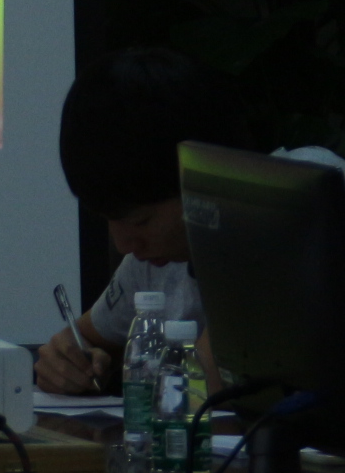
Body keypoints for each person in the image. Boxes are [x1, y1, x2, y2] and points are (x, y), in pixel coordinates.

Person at [35, 49, 254, 395]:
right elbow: (82, 340)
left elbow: (206, 389)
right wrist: (65, 361)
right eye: (109, 221)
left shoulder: (305, 200)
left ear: (205, 177)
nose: (125, 245)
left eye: (141, 221)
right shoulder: (155, 264)